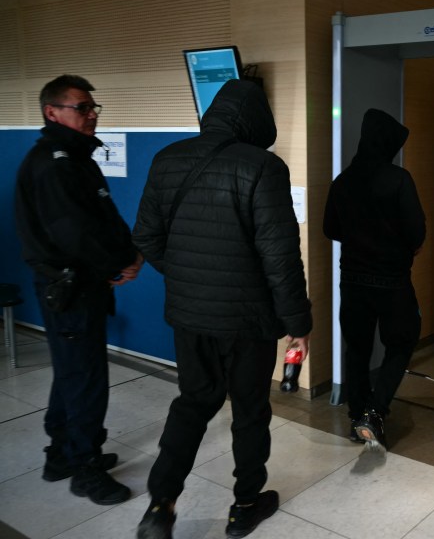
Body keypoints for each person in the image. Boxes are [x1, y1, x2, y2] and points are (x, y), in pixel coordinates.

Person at [132, 79, 312, 539]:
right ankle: (245, 506)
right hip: (247, 321)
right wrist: (298, 324)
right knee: (250, 410)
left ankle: (160, 506)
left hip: (190, 315)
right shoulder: (263, 167)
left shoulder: (166, 159)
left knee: (193, 402)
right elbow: (280, 257)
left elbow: (147, 237)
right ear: (255, 120)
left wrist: (193, 278)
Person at [14, 74, 143, 505]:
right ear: (52, 111)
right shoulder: (53, 164)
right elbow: (76, 234)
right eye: (81, 108)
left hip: (79, 285)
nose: (90, 115)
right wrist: (120, 262)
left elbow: (100, 216)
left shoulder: (73, 157)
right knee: (86, 379)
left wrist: (125, 253)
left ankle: (59, 455)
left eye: (92, 108)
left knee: (72, 372)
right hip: (72, 289)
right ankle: (84, 469)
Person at [323, 108, 426, 449]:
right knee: (401, 342)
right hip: (392, 282)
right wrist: (404, 246)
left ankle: (357, 416)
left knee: (358, 348)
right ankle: (376, 412)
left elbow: (330, 229)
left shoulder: (343, 181)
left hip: (352, 281)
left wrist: (358, 238)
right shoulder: (399, 179)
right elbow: (417, 231)